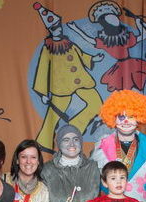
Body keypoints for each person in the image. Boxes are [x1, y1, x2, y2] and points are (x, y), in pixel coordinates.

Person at [31, 3, 104, 151]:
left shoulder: (69, 43)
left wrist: (92, 59)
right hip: (61, 87)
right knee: (53, 115)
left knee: (96, 103)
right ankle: (43, 141)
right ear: (50, 30)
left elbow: (79, 54)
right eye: (54, 28)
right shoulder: (48, 48)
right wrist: (42, 93)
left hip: (81, 81)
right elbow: (43, 70)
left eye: (58, 26)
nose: (57, 29)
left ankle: (73, 129)